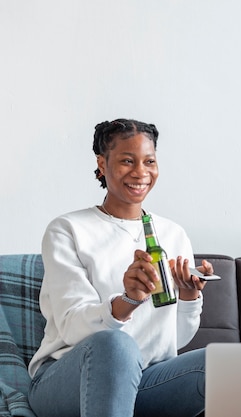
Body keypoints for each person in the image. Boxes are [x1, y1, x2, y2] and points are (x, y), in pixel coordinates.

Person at [28, 119, 213, 417]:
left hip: (145, 379)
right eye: (127, 161)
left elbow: (173, 340)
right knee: (116, 345)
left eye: (149, 161)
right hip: (68, 381)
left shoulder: (173, 234)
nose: (141, 172)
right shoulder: (67, 229)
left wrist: (189, 297)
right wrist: (127, 301)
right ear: (102, 164)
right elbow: (72, 327)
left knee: (223, 363)